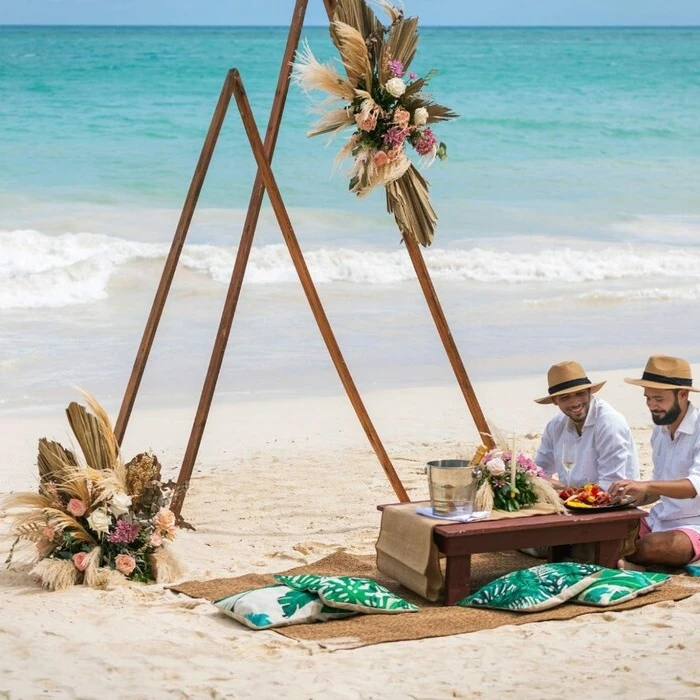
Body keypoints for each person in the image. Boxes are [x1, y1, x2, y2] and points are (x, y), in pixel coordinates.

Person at [611, 355, 700, 568]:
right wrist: (627, 497)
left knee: (651, 547)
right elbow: (661, 488)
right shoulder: (660, 431)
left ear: (682, 395)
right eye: (648, 398)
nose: (651, 405)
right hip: (660, 517)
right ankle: (625, 560)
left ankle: (627, 561)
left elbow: (694, 487)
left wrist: (646, 484)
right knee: (604, 532)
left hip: (695, 524)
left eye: (659, 399)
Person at [534, 360, 639, 490]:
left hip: (615, 504)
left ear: (589, 391)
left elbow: (611, 485)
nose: (575, 403)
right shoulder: (555, 425)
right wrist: (563, 488)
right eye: (565, 397)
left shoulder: (609, 423)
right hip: (573, 502)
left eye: (580, 393)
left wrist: (566, 490)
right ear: (555, 401)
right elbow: (539, 471)